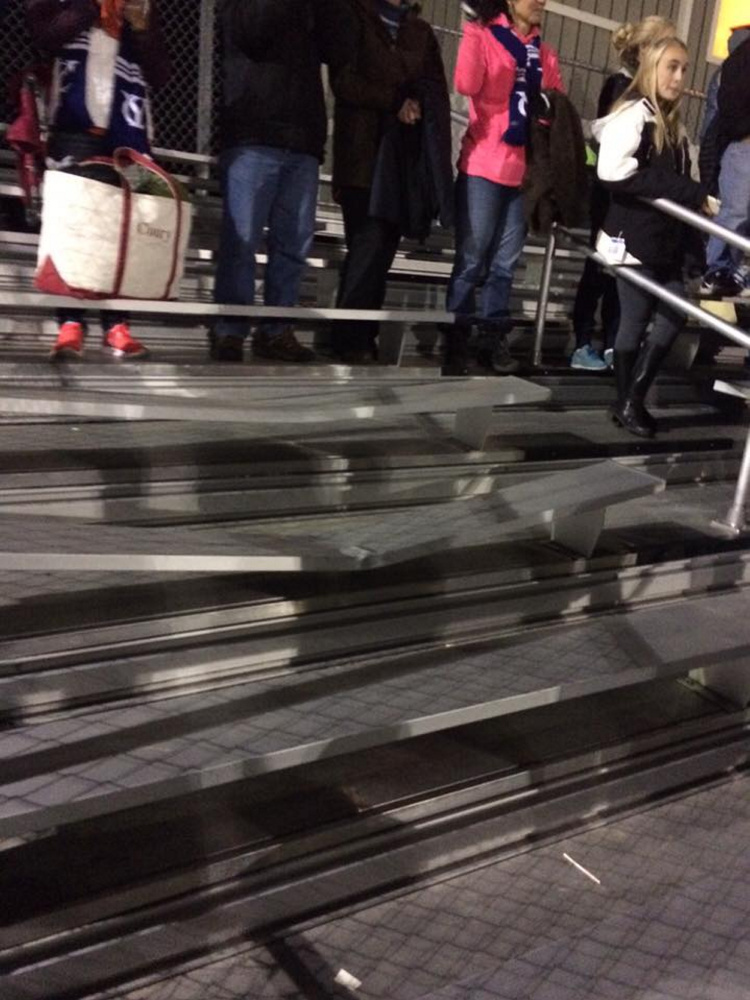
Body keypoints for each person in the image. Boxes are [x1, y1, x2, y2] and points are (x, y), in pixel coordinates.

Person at [211, 0, 354, 364]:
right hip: (252, 132)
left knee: (293, 244)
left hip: (303, 137)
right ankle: (230, 328)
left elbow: (341, 47)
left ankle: (277, 329)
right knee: (241, 242)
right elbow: (251, 32)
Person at [27, 0, 170, 361]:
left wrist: (140, 27)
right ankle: (70, 323)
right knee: (72, 225)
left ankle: (117, 324)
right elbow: (44, 35)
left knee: (125, 228)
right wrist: (96, 5)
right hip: (74, 128)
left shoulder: (141, 4)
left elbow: (161, 73)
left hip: (130, 136)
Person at [594, 36, 718, 439]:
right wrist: (690, 193)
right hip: (631, 240)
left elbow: (678, 182)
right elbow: (613, 172)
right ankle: (629, 403)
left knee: (671, 315)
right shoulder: (633, 115)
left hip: (662, 244)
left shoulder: (673, 125)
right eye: (672, 67)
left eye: (684, 68)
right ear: (651, 67)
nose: (679, 77)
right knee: (636, 320)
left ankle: (628, 400)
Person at [446, 0, 563, 375]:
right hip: (482, 166)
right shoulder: (485, 35)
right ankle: (457, 337)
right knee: (471, 259)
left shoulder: (545, 55)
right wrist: (471, 30)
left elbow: (555, 110)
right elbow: (465, 83)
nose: (541, 1)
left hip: (523, 174)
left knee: (504, 266)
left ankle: (491, 337)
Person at [329, 0, 450, 365]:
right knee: (367, 244)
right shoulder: (354, 17)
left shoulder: (420, 32)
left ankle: (360, 334)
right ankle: (352, 338)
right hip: (362, 156)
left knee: (380, 252)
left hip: (401, 160)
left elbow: (435, 88)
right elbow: (344, 82)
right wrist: (394, 99)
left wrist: (415, 102)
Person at [570, 16, 675, 373]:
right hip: (611, 200)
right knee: (600, 271)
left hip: (631, 207)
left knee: (622, 278)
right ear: (646, 51)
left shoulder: (655, 100)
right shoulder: (623, 89)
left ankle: (615, 342)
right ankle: (583, 340)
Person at [700, 23, 750, 300]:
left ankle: (730, 270)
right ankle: (716, 269)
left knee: (739, 214)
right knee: (735, 212)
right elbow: (727, 112)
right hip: (743, 146)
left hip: (739, 145)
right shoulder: (741, 60)